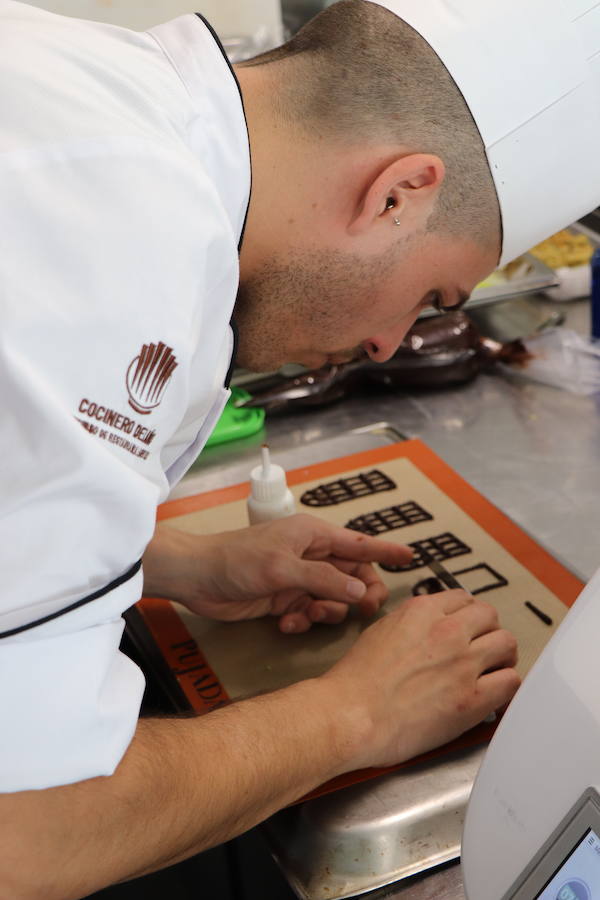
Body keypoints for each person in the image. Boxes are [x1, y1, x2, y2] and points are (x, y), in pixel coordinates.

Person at [4, 0, 598, 894]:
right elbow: (27, 836)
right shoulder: (120, 251)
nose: (390, 347)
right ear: (397, 191)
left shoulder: (103, 101)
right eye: (433, 298)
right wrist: (355, 713)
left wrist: (181, 565)